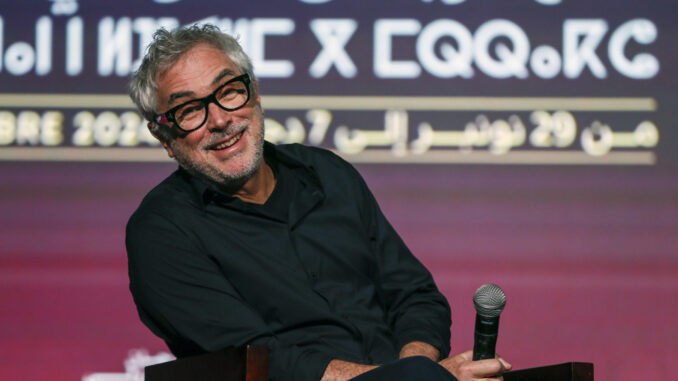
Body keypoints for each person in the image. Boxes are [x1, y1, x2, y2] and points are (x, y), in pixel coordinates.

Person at [126, 24, 510, 381]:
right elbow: (261, 361)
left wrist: (416, 366)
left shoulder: (327, 173)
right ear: (163, 136)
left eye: (228, 92)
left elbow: (414, 296)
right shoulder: (161, 232)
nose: (220, 120)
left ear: (255, 93)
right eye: (190, 110)